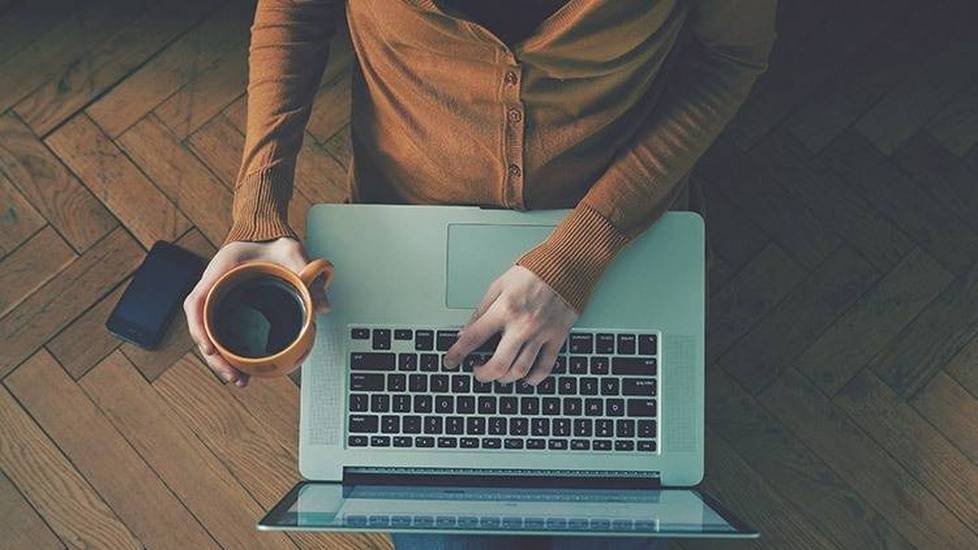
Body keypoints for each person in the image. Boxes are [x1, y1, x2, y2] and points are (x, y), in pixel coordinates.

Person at [184, 1, 775, 547]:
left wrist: (578, 253)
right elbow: (295, 12)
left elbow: (729, 55)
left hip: (619, 226)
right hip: (403, 230)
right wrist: (257, 209)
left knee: (625, 509)